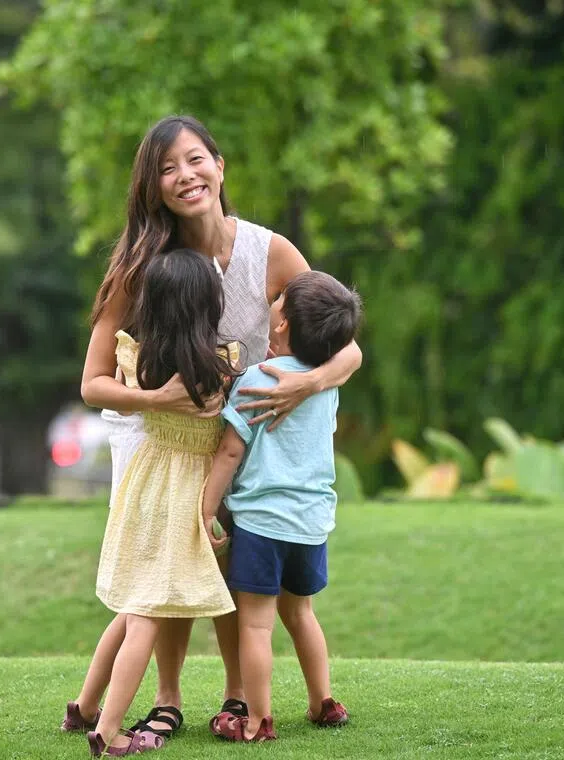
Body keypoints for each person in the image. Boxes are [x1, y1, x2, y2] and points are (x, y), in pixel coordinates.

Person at [64, 114, 363, 739]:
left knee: (231, 558)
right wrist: (159, 400)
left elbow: (345, 346)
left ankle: (235, 697)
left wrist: (307, 383)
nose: (185, 175)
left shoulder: (272, 252)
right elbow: (93, 384)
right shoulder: (143, 265)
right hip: (157, 431)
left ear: (219, 166)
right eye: (167, 168)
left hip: (242, 421)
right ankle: (166, 698)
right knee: (170, 561)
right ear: (152, 187)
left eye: (195, 159)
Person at [76, 247, 242, 758]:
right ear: (209, 304)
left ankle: (86, 707)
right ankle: (107, 731)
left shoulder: (138, 359)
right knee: (146, 615)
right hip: (188, 493)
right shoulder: (221, 366)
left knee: (135, 607)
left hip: (144, 486)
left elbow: (103, 387)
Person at [202, 270, 362, 742]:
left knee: (255, 624)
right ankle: (323, 702)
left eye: (277, 302)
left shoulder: (257, 378)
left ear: (283, 323)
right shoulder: (324, 385)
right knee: (302, 614)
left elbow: (229, 452)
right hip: (311, 524)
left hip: (261, 524)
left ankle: (257, 720)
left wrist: (206, 509)